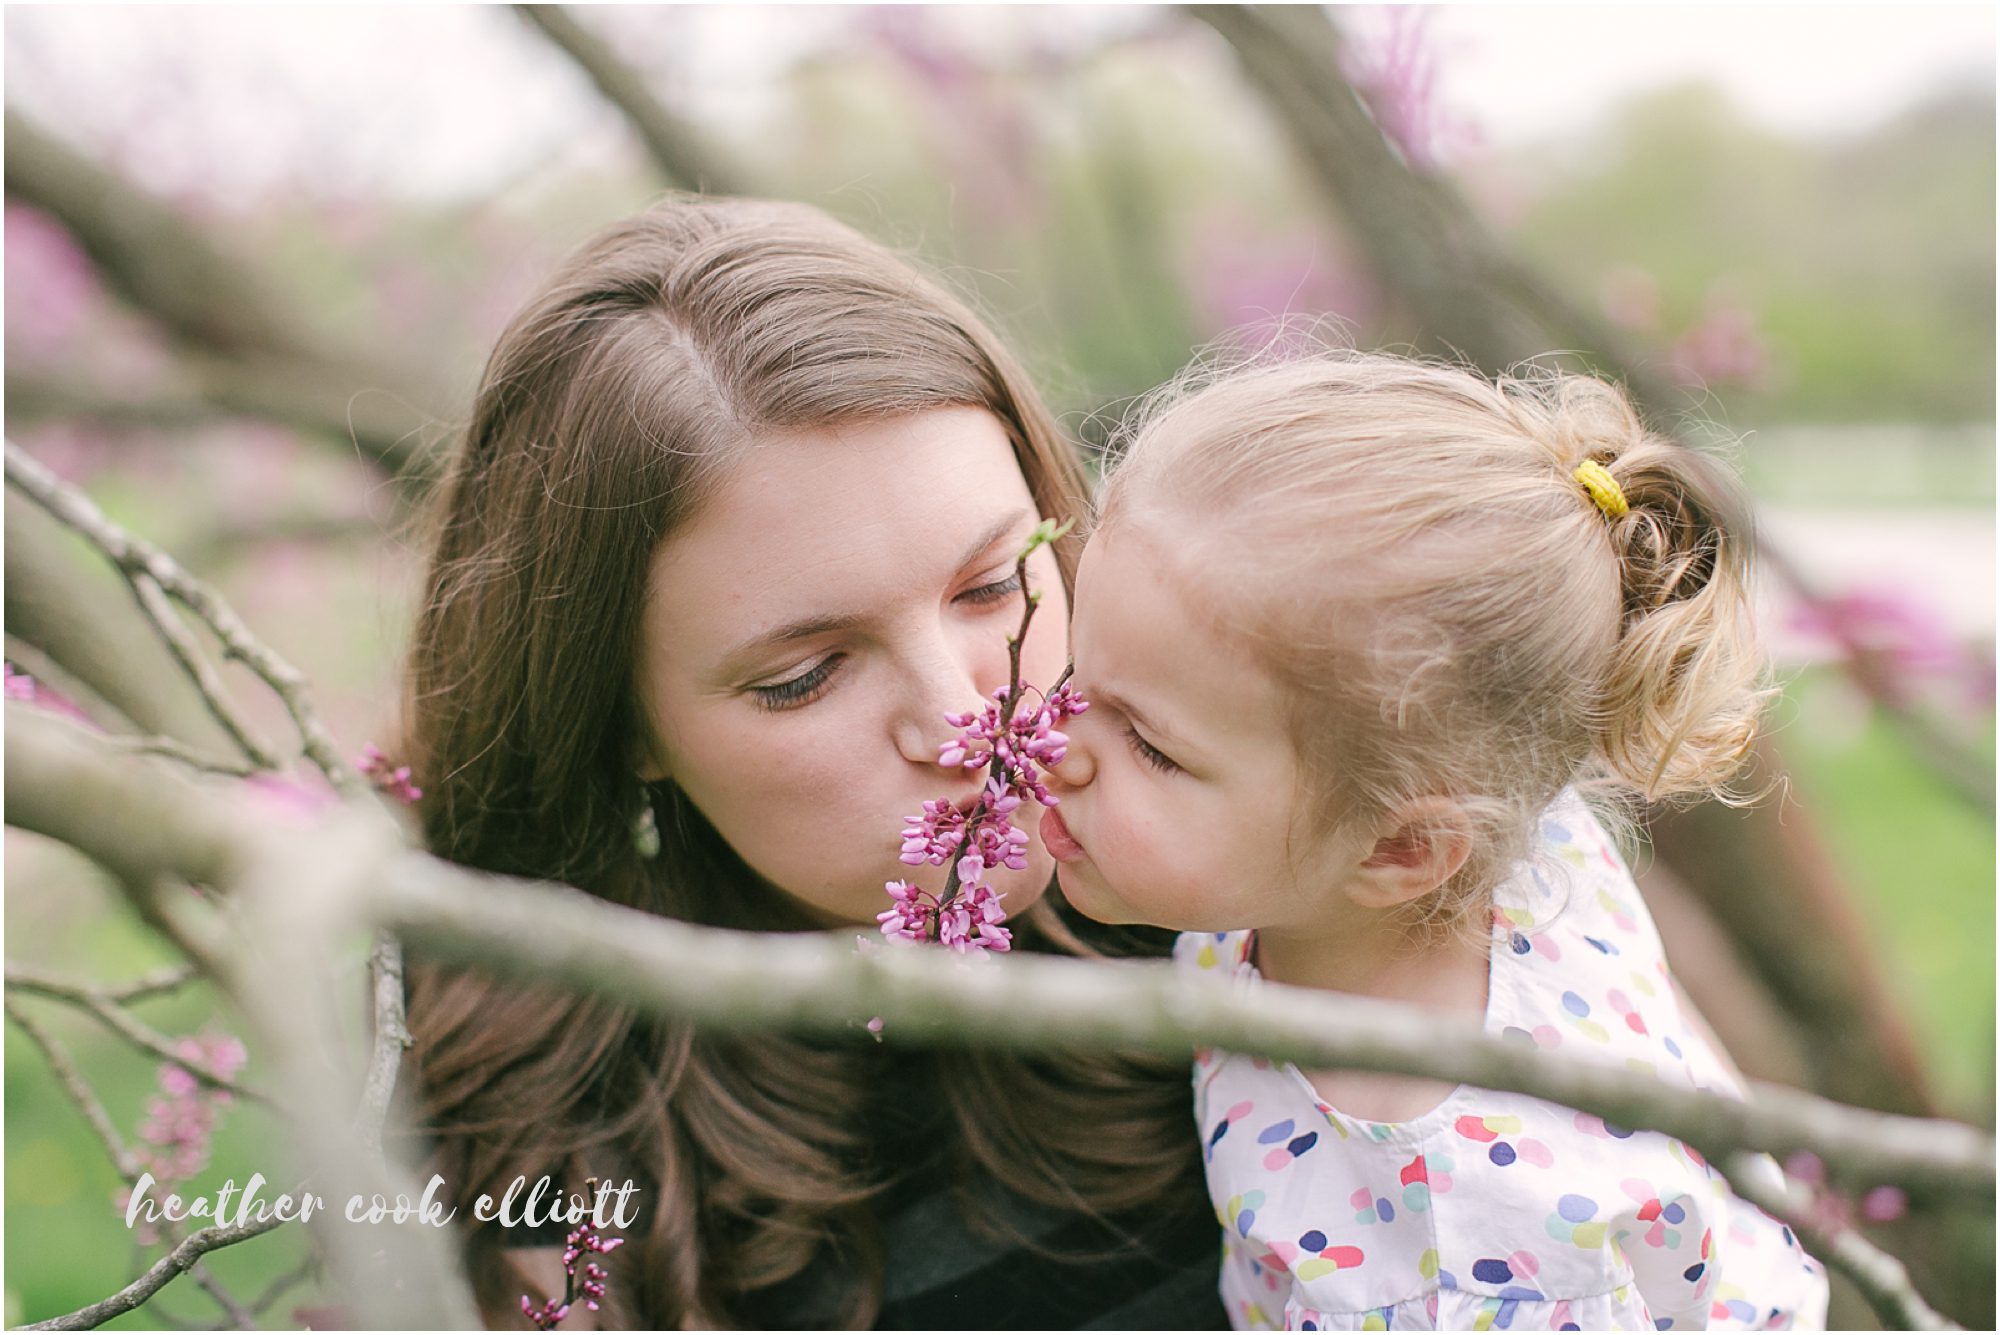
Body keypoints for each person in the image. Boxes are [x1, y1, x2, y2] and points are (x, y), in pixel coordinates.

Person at [394, 195, 1227, 1328]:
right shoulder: (553, 1157)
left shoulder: (1280, 867)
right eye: (805, 675)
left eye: (991, 587)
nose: (961, 720)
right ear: (623, 727)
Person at [1038, 353, 1830, 1330]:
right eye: (1075, 672)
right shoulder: (1460, 807)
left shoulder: (1466, 1234)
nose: (1055, 743)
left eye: (1149, 745)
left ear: (1402, 852)